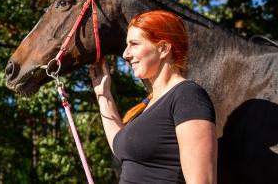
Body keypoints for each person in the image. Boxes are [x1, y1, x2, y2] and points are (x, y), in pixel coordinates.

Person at [89, 10, 217, 184]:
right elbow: (120, 146)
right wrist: (103, 95)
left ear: (163, 48)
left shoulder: (187, 96)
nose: (125, 54)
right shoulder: (148, 103)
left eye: (134, 44)